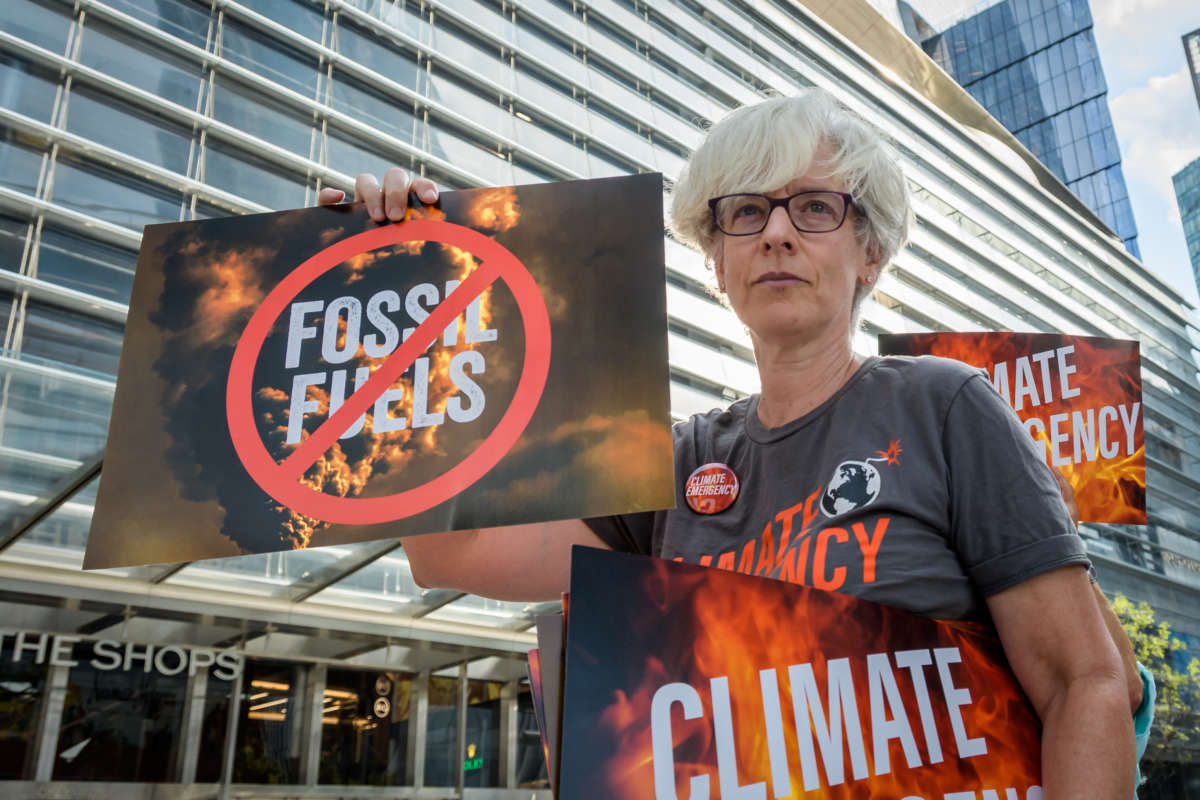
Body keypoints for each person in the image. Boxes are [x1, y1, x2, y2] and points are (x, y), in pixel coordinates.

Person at [320, 89, 1138, 796]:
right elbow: (448, 557)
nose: (777, 234)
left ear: (871, 255)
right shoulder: (677, 460)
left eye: (816, 207)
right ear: (717, 261)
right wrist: (401, 285)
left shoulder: (944, 404)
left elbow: (1086, 680)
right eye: (746, 212)